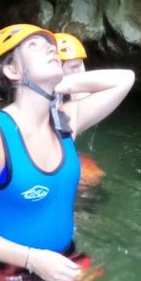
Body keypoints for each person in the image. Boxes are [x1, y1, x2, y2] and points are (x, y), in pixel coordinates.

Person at [0, 24, 134, 281]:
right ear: (11, 71)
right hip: (6, 272)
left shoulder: (64, 122)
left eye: (51, 46)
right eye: (35, 46)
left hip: (62, 262)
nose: (51, 48)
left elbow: (125, 80)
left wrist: (61, 85)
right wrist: (32, 260)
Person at [55, 31, 105, 189]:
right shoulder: (41, 100)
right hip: (49, 161)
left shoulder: (78, 95)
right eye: (74, 67)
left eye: (81, 64)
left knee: (94, 179)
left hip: (65, 154)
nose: (81, 72)